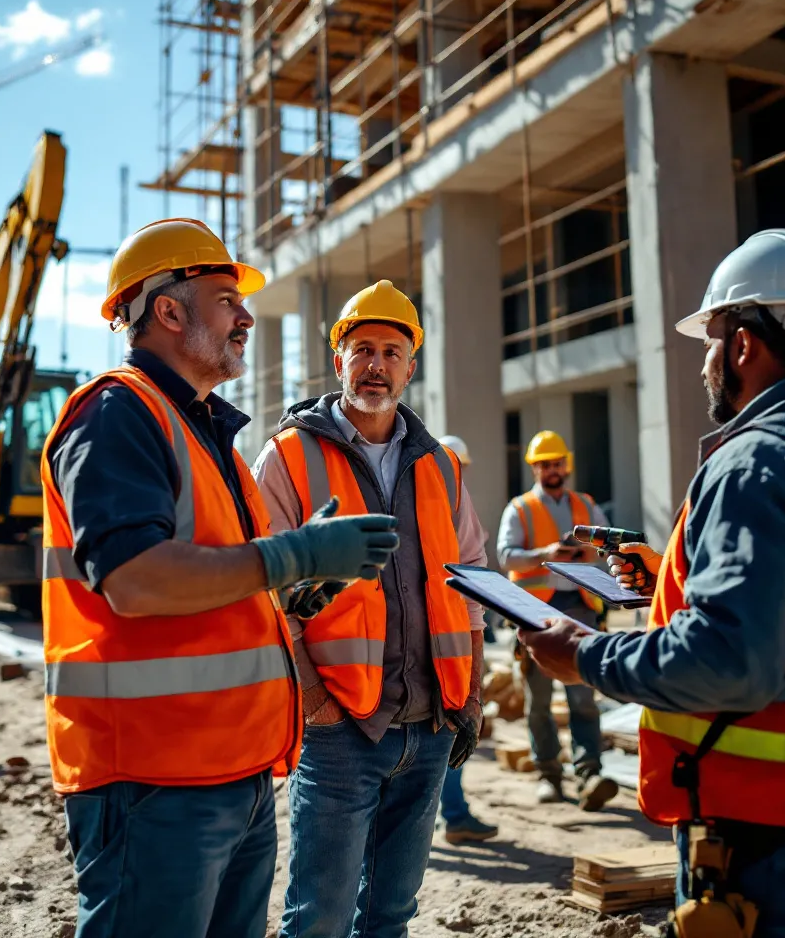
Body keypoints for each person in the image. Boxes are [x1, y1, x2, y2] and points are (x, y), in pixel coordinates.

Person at [40, 219, 400, 938]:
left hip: (236, 775)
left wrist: (301, 587)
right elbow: (135, 581)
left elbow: (222, 582)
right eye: (227, 299)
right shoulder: (117, 413)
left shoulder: (208, 435)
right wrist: (295, 556)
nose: (245, 317)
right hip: (153, 781)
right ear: (168, 311)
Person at [519, 228, 785, 936]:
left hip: (769, 835)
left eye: (711, 339)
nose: (705, 360)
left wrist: (584, 656)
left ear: (741, 345)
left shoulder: (759, 463)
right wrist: (674, 570)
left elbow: (730, 659)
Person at [253, 279, 489, 937]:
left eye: (391, 351)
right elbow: (261, 591)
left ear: (410, 368)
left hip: (430, 723)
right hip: (339, 729)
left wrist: (468, 700)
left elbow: (469, 585)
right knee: (319, 918)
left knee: (390, 915)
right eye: (362, 349)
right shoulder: (289, 456)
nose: (375, 365)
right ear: (339, 362)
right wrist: (311, 699)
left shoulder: (439, 464)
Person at [496, 431, 618, 811]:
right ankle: (549, 775)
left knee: (583, 698)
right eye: (545, 464)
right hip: (537, 613)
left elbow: (608, 544)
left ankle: (589, 774)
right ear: (534, 468)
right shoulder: (520, 508)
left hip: (581, 607)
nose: (553, 470)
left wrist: (589, 553)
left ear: (567, 464)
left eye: (557, 463)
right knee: (540, 702)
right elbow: (507, 557)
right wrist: (545, 553)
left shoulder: (586, 505)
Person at [435, 434, 499, 846]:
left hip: (455, 639)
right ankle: (455, 815)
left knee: (446, 736)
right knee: (446, 735)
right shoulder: (435, 506)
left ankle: (454, 814)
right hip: (443, 644)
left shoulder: (450, 504)